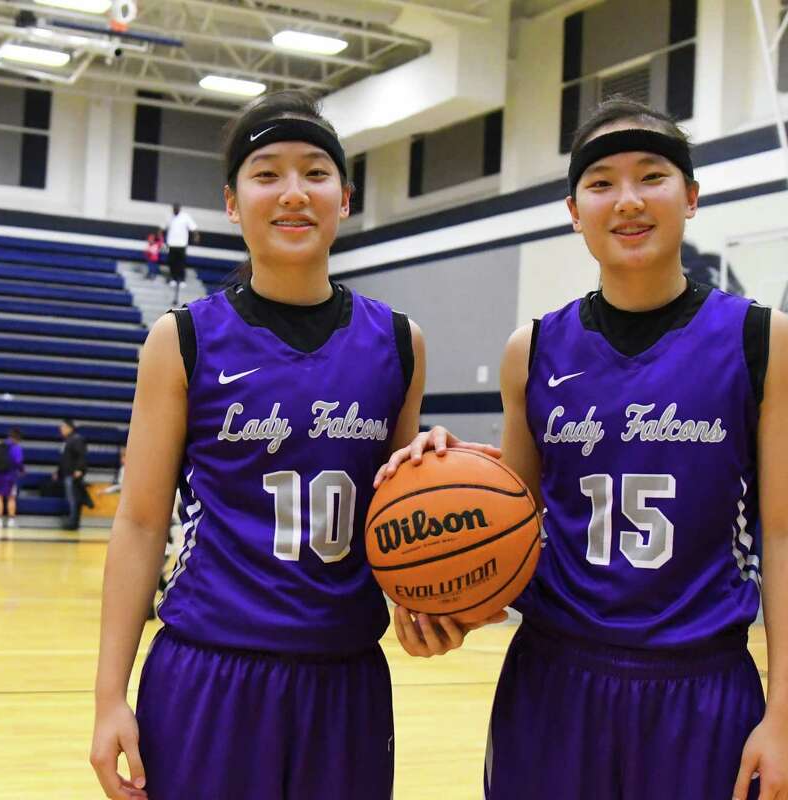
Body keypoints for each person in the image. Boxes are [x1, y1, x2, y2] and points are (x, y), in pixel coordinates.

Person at [378, 97, 788, 800]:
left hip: (701, 687)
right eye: (602, 182)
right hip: (555, 683)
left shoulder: (762, 341)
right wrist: (447, 589)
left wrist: (785, 717)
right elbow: (508, 538)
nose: (629, 201)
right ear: (574, 210)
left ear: (692, 196)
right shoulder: (534, 350)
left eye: (653, 176)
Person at [89, 90, 498, 800]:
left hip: (345, 681)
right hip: (208, 672)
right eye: (266, 173)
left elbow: (392, 521)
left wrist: (438, 581)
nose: (292, 193)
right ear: (231, 201)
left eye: (315, 172)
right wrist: (108, 699)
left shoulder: (400, 342)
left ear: (344, 198)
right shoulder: (181, 341)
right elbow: (141, 522)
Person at [0, 427, 25, 531]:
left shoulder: (0, 445)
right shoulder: (16, 447)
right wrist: (22, 470)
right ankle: (11, 521)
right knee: (11, 497)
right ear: (18, 438)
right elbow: (18, 462)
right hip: (10, 475)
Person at [58, 419, 88, 531]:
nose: (61, 429)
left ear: (70, 428)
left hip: (73, 474)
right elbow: (65, 459)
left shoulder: (76, 440)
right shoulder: (67, 441)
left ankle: (73, 522)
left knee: (74, 499)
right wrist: (58, 472)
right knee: (71, 498)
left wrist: (79, 469)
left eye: (63, 427)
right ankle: (72, 521)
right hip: (67, 474)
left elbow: (81, 455)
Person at [163, 203, 198, 287]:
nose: (175, 210)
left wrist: (196, 236)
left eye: (176, 208)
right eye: (174, 209)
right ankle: (173, 279)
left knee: (181, 263)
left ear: (179, 209)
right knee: (172, 262)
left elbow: (193, 228)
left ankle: (182, 279)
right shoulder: (169, 217)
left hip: (182, 244)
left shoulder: (185, 217)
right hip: (171, 244)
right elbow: (163, 227)